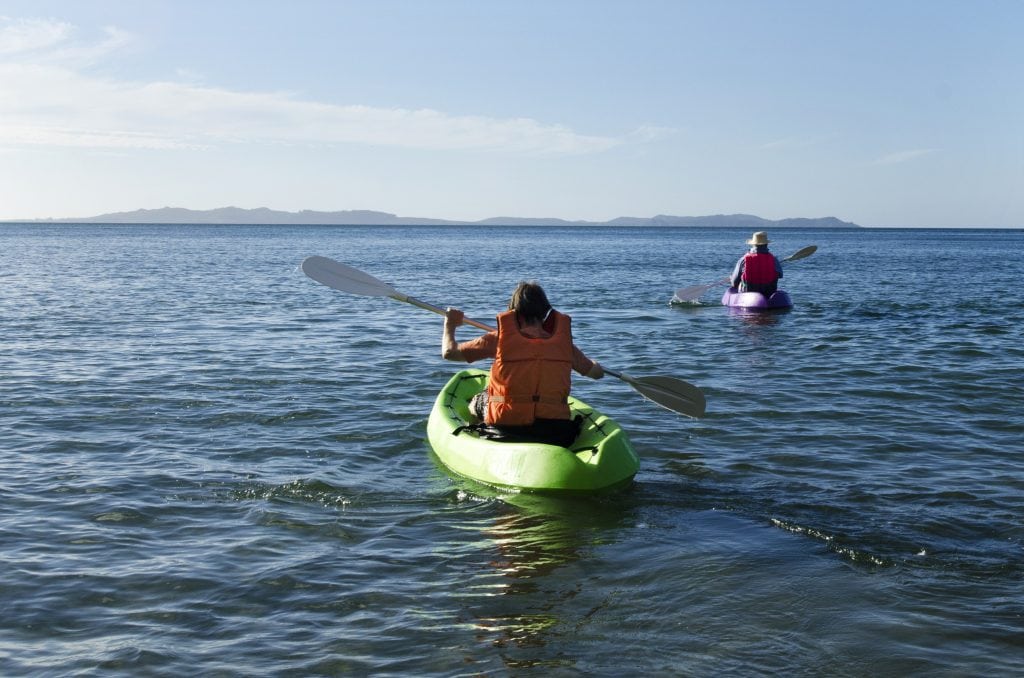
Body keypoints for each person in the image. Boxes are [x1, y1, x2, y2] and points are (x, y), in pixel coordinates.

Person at [441, 281, 604, 447]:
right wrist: (593, 363)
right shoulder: (564, 345)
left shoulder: (498, 339)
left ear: (514, 312)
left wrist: (450, 325)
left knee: (479, 399)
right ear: (545, 313)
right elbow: (597, 374)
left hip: (505, 427)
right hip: (556, 431)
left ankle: (478, 439)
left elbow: (449, 353)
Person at [730, 231, 783, 295]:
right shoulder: (774, 259)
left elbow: (734, 283)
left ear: (753, 244)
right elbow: (780, 275)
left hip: (749, 294)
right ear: (766, 244)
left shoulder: (743, 260)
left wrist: (731, 278)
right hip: (769, 293)